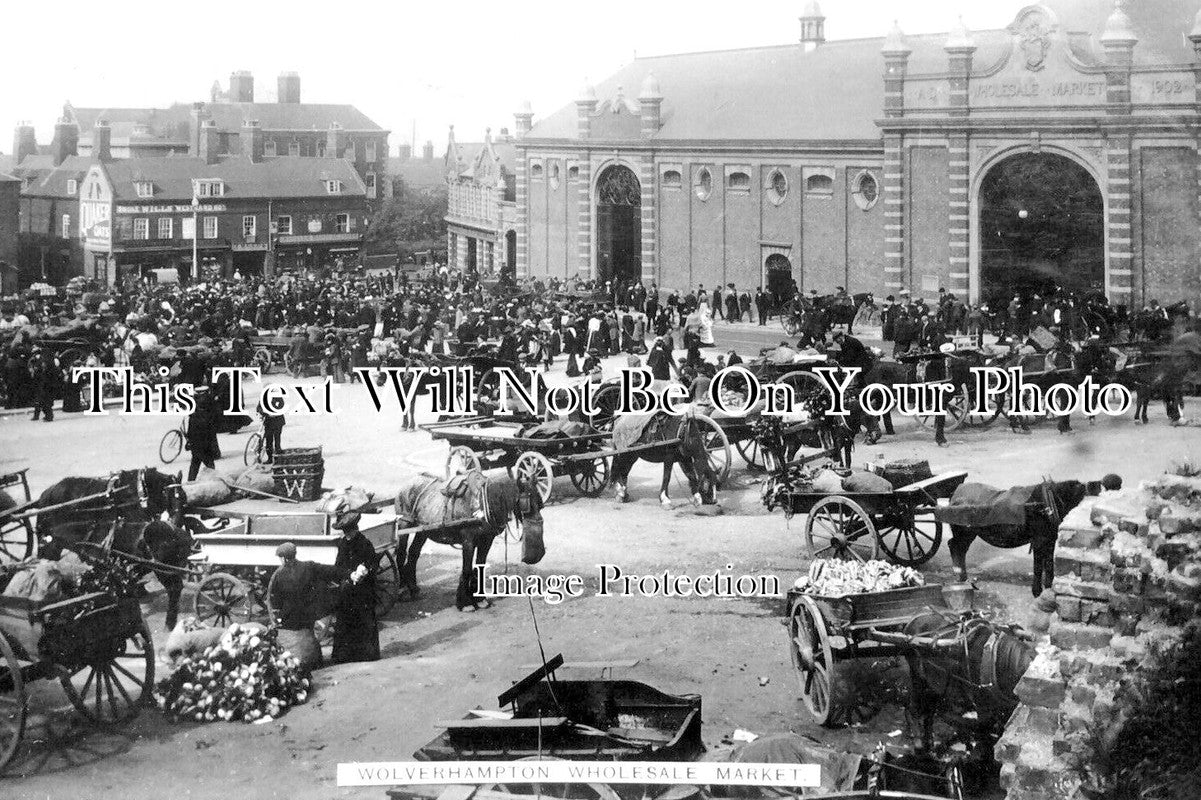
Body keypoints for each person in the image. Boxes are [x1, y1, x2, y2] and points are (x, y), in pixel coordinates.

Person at [269, 542, 346, 672]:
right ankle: (314, 659)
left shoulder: (278, 575)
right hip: (308, 616)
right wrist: (349, 573)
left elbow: (275, 601)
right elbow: (329, 570)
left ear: (283, 558)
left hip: (290, 619)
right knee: (309, 637)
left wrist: (278, 618)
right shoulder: (308, 566)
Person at [330, 498, 380, 664]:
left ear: (355, 529)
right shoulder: (343, 544)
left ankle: (366, 654)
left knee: (364, 621)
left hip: (363, 592)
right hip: (348, 590)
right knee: (346, 621)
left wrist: (365, 570)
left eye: (349, 532)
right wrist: (349, 574)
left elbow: (373, 563)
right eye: (345, 532)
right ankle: (345, 656)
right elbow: (338, 567)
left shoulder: (365, 544)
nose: (347, 535)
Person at [185, 386, 220, 481]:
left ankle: (190, 482)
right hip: (205, 444)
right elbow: (212, 430)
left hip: (195, 443)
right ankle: (213, 481)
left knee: (195, 464)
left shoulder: (194, 411)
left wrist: (189, 441)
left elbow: (189, 431)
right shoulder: (209, 405)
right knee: (209, 464)